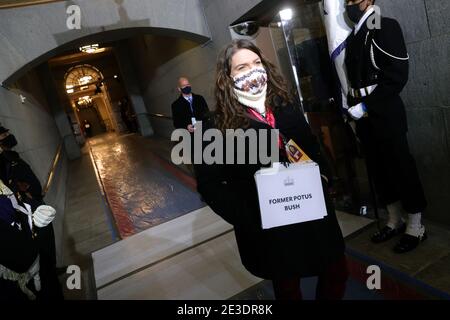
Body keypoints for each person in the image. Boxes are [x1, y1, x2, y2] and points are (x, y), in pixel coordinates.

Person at [194, 39, 348, 300]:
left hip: (311, 211)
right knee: (288, 287)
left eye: (256, 63)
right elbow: (210, 186)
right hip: (270, 227)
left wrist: (323, 178)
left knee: (336, 271)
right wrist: (249, 217)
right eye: (242, 67)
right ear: (227, 78)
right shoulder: (214, 126)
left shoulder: (284, 105)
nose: (252, 71)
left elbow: (312, 146)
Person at [344, 0, 427, 253]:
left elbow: (397, 74)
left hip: (384, 111)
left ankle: (416, 225)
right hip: (364, 115)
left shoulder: (384, 27)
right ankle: (395, 219)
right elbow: (353, 78)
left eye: (353, 0)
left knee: (401, 167)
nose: (349, 5)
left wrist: (367, 105)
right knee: (379, 171)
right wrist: (353, 109)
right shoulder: (355, 36)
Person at [0, 126, 63, 299]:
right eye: (3, 135)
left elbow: (12, 196)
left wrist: (31, 206)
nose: (7, 137)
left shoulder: (8, 159)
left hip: (32, 243)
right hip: (19, 266)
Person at [0, 178, 57, 300]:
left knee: (51, 289)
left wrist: (36, 211)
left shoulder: (3, 180)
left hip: (36, 253)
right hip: (12, 279)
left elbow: (17, 202)